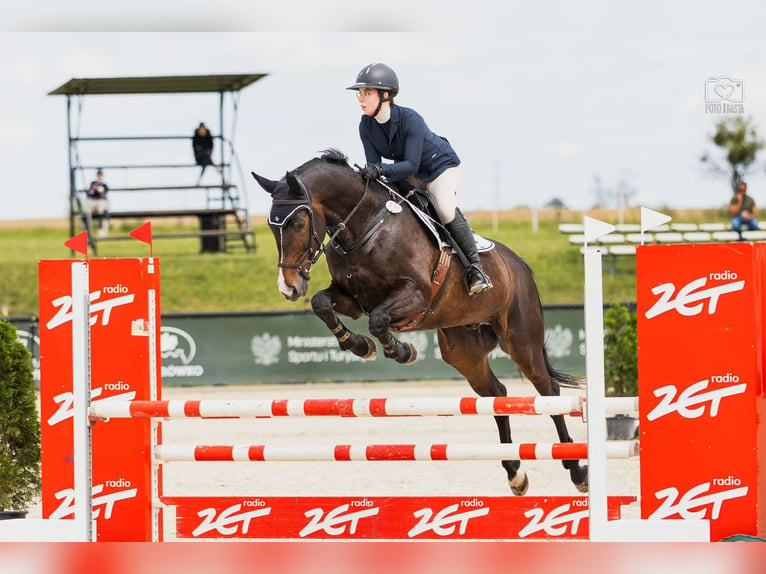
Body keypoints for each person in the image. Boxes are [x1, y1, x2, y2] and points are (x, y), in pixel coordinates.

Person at [346, 63, 491, 295]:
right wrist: (369, 173)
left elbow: (411, 165)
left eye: (367, 93)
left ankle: (476, 269)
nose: (361, 99)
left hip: (439, 169)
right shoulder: (366, 125)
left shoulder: (411, 119)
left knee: (444, 210)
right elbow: (376, 167)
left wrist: (379, 170)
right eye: (360, 94)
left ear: (386, 95)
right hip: (407, 173)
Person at [87, 169, 110, 237]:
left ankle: (101, 230)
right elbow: (89, 194)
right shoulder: (93, 183)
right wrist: (93, 190)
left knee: (101, 209)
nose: (99, 177)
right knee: (87, 213)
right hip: (94, 201)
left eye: (100, 175)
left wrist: (102, 192)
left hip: (101, 201)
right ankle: (88, 231)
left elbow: (105, 194)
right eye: (98, 175)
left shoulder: (104, 185)